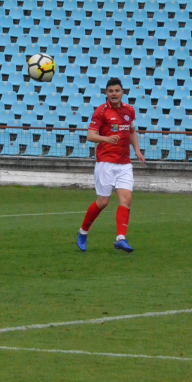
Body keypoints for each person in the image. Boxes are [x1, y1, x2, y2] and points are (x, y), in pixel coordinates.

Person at [76, 77, 146, 253]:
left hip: (124, 163)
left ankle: (120, 238)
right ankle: (83, 231)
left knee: (126, 199)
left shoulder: (129, 110)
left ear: (122, 93)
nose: (114, 94)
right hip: (106, 162)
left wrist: (137, 150)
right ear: (106, 94)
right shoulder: (101, 112)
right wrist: (106, 138)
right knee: (103, 202)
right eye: (110, 91)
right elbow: (90, 135)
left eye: (117, 91)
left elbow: (132, 131)